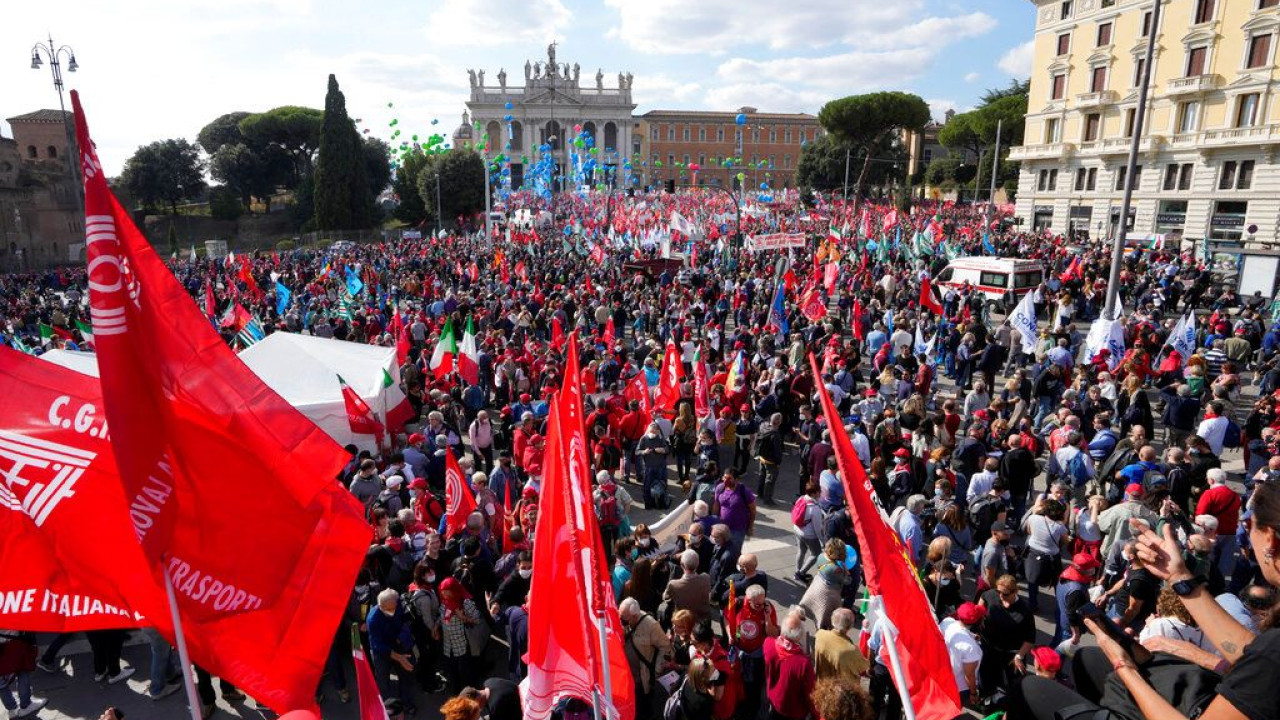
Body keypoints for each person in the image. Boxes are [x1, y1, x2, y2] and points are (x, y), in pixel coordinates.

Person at [1016, 480, 1280, 720]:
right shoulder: (1270, 649)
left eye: (1247, 522)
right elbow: (1255, 654)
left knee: (1032, 688)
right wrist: (1179, 577)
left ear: (1270, 540)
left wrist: (1124, 665)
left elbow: (1266, 662)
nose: (1242, 528)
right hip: (1206, 690)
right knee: (1087, 657)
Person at [366, 588, 417, 715]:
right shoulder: (373, 619)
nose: (392, 612)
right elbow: (378, 645)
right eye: (388, 610)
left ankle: (406, 703)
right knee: (383, 681)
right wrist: (399, 657)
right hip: (381, 651)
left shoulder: (397, 603)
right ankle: (388, 709)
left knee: (405, 675)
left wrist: (401, 640)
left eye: (393, 607)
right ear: (380, 605)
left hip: (397, 643)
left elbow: (404, 622)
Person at [619, 597, 672, 720]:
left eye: (624, 619)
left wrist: (657, 670)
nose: (621, 621)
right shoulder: (623, 618)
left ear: (635, 616)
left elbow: (665, 646)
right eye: (620, 616)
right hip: (626, 675)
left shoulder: (651, 626)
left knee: (641, 707)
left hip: (641, 677)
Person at [763, 607, 818, 720]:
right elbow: (810, 692)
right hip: (793, 710)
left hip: (773, 699)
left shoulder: (768, 644)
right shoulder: (803, 663)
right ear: (799, 635)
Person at [940, 602, 985, 707]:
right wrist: (973, 693)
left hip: (943, 679)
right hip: (959, 688)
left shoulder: (947, 622)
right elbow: (969, 676)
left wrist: (971, 636)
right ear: (976, 622)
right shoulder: (970, 648)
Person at [814, 607, 868, 683]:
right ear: (850, 626)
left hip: (821, 684)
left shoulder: (819, 634)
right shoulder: (851, 650)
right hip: (841, 690)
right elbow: (864, 666)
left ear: (832, 620)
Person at [0, 631, 45, 718]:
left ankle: (12, 709)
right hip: (13, 644)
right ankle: (26, 704)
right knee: (22, 670)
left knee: (1, 682)